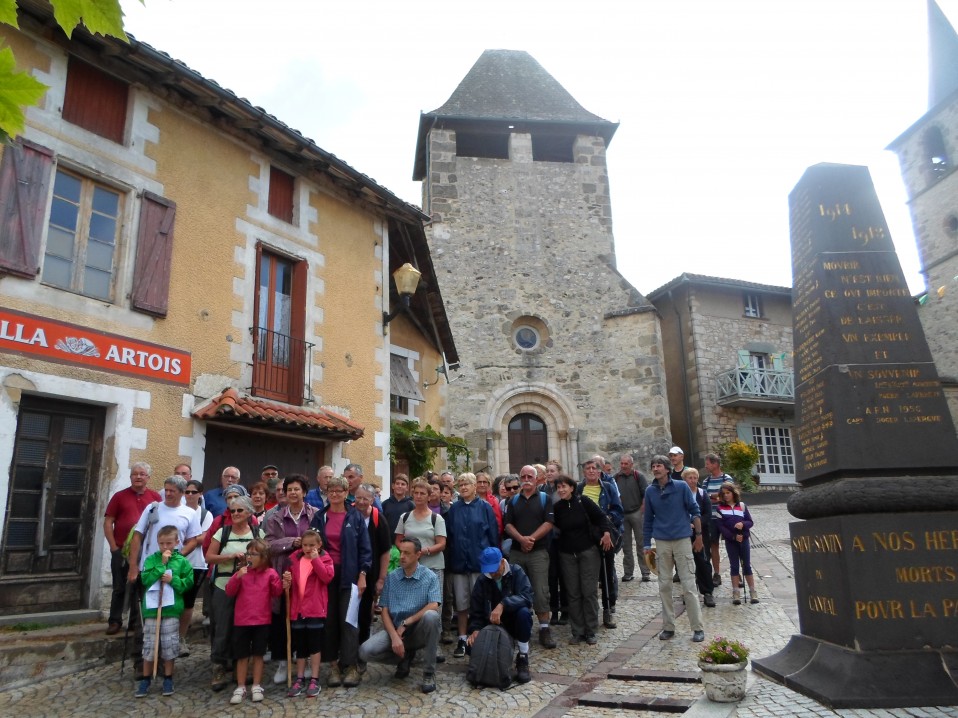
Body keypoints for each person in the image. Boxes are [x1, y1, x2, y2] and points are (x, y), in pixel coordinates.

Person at [309, 475, 371, 688]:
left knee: (349, 622)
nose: (334, 494)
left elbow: (365, 549)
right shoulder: (319, 517)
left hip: (350, 575)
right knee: (329, 622)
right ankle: (333, 665)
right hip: (324, 576)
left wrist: (363, 574)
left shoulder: (355, 517)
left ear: (347, 493)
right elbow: (311, 546)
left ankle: (351, 665)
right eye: (331, 490)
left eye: (339, 491)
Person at [358, 537, 442, 694]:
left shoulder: (430, 576)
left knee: (431, 616)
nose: (402, 556)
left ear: (418, 555)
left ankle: (429, 673)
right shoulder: (392, 577)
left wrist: (406, 623)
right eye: (401, 552)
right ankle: (404, 658)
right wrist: (394, 636)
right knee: (364, 651)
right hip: (395, 630)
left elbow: (434, 604)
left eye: (407, 553)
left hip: (417, 630)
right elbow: (384, 609)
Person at [643, 455, 705, 642]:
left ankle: (697, 628)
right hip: (661, 541)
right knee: (664, 585)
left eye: (659, 465)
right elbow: (647, 520)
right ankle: (668, 626)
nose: (656, 469)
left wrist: (699, 535)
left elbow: (695, 511)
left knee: (688, 584)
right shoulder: (650, 491)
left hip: (682, 539)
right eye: (653, 465)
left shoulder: (681, 487)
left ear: (667, 469)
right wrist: (646, 544)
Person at [264, 475, 318, 684]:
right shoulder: (275, 518)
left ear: (304, 492)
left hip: (308, 575)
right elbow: (269, 544)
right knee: (283, 618)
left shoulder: (315, 515)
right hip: (283, 574)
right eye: (289, 490)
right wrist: (291, 542)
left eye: (297, 489)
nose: (293, 493)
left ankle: (301, 659)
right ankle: (283, 661)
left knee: (303, 618)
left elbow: (318, 541)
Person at [205, 495, 262, 691]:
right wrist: (230, 556)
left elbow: (265, 557)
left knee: (246, 629)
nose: (235, 514)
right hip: (224, 584)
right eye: (232, 511)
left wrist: (250, 560)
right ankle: (219, 666)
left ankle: (241, 665)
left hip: (249, 588)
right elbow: (209, 557)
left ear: (249, 513)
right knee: (223, 626)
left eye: (240, 510)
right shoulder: (223, 532)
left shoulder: (257, 532)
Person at [550, 474, 613, 645]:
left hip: (588, 551)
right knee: (573, 593)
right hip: (567, 554)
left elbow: (601, 517)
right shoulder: (557, 508)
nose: (561, 490)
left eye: (564, 486)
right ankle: (577, 631)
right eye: (558, 487)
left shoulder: (583, 501)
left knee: (589, 592)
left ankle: (591, 630)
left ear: (572, 487)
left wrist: (606, 533)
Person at [134, 524, 194, 698]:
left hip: (171, 609)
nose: (165, 547)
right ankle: (146, 678)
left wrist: (172, 579)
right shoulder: (152, 559)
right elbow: (146, 579)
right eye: (162, 544)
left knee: (169, 645)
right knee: (149, 645)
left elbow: (186, 584)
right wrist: (162, 566)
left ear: (176, 542)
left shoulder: (182, 562)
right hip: (153, 609)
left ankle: (168, 677)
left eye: (169, 543)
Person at [103, 462, 161, 635]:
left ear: (148, 478)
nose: (138, 477)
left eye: (142, 474)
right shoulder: (119, 497)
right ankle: (115, 621)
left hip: (145, 552)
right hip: (121, 550)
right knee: (119, 587)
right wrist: (113, 547)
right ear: (130, 477)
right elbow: (108, 522)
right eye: (135, 474)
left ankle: (135, 622)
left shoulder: (155, 498)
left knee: (139, 588)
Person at [445, 472, 499, 659]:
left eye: (467, 484)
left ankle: (481, 637)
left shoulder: (485, 508)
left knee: (481, 603)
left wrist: (493, 563)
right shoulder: (454, 509)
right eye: (461, 484)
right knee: (461, 603)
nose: (464, 487)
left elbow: (492, 536)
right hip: (460, 563)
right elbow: (450, 536)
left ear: (475, 486)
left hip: (479, 563)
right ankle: (461, 638)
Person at [502, 465, 555, 649]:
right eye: (523, 476)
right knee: (516, 591)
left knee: (541, 591)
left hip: (538, 552)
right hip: (517, 552)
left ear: (536, 478)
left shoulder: (544, 499)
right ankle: (517, 628)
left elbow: (549, 523)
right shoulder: (513, 501)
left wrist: (531, 539)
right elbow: (508, 525)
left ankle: (544, 629)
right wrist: (521, 539)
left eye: (529, 476)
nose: (526, 479)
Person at [225, 538, 283, 704]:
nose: (249, 557)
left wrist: (283, 582)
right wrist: (237, 577)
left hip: (262, 620)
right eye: (248, 553)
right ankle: (241, 686)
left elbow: (277, 592)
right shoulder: (242, 572)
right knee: (242, 655)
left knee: (259, 654)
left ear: (263, 557)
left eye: (253, 554)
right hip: (242, 621)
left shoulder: (270, 573)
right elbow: (229, 591)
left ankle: (256, 685)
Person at [466, 547, 536, 683]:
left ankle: (522, 657)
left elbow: (527, 597)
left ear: (503, 562)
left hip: (513, 620)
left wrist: (503, 604)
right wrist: (475, 629)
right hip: (490, 623)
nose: (492, 573)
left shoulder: (516, 572)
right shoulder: (482, 580)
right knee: (470, 646)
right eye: (489, 570)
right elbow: (476, 610)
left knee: (524, 613)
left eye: (495, 568)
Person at [282, 529, 335, 698]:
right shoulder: (294, 559)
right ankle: (299, 677)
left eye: (312, 545)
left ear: (319, 545)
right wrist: (287, 581)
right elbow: (289, 584)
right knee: (301, 646)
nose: (308, 548)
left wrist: (316, 560)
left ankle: (314, 677)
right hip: (298, 608)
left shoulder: (325, 558)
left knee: (314, 645)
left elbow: (327, 578)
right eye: (305, 545)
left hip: (315, 608)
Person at [396, 479, 448, 645]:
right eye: (416, 493)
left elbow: (441, 544)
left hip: (433, 567)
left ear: (428, 496)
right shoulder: (405, 517)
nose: (418, 496)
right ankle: (413, 642)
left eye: (422, 493)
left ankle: (434, 643)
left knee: (433, 607)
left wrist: (423, 552)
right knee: (411, 605)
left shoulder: (436, 518)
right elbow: (398, 540)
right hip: (411, 569)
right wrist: (408, 553)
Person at [576, 459, 624, 629]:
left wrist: (605, 521)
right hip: (584, 535)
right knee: (586, 573)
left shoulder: (608, 488)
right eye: (587, 468)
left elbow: (618, 511)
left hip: (604, 534)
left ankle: (608, 609)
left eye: (593, 468)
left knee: (607, 572)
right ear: (584, 472)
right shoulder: (578, 489)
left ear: (599, 471)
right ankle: (588, 611)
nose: (590, 471)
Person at [353, 483, 392, 660]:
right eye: (358, 497)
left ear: (373, 499)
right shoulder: (348, 514)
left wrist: (381, 579)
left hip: (371, 574)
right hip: (349, 573)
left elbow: (385, 551)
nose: (361, 502)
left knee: (364, 614)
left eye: (365, 499)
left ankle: (362, 649)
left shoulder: (378, 519)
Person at [180, 479, 214, 656]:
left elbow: (204, 538)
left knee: (188, 602)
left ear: (200, 494)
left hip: (196, 563)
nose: (190, 495)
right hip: (176, 562)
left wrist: (188, 538)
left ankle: (181, 638)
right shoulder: (179, 511)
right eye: (187, 492)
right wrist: (194, 538)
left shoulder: (204, 514)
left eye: (194, 492)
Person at [716, 482, 759, 605]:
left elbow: (750, 522)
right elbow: (721, 527)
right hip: (731, 541)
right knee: (734, 566)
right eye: (723, 494)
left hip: (744, 539)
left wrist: (743, 525)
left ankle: (752, 591)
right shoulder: (720, 509)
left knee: (746, 565)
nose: (726, 496)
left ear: (733, 493)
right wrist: (733, 536)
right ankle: (736, 592)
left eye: (728, 493)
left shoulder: (742, 506)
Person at [681, 468, 716, 608]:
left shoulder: (702, 494)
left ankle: (707, 592)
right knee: (686, 563)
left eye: (695, 478)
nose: (693, 480)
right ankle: (689, 592)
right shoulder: (680, 494)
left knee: (703, 561)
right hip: (684, 532)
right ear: (685, 480)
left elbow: (708, 513)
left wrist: (697, 524)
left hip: (701, 532)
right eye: (690, 478)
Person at [614, 454, 651, 583]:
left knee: (641, 544)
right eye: (622, 463)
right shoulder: (616, 477)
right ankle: (628, 572)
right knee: (626, 546)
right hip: (623, 515)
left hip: (637, 512)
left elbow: (646, 495)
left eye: (626, 464)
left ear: (631, 464)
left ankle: (645, 572)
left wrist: (642, 511)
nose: (623, 466)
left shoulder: (638, 476)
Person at [703, 453, 733, 585]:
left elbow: (729, 497)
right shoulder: (706, 481)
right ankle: (716, 573)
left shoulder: (727, 479)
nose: (706, 466)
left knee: (732, 545)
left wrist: (715, 497)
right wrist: (718, 496)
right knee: (713, 545)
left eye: (708, 463)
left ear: (715, 464)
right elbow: (705, 499)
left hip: (726, 517)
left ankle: (736, 572)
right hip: (712, 518)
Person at [475, 471, 503, 537]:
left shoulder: (494, 501)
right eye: (479, 482)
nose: (482, 485)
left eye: (484, 482)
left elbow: (498, 523)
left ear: (488, 484)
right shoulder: (470, 500)